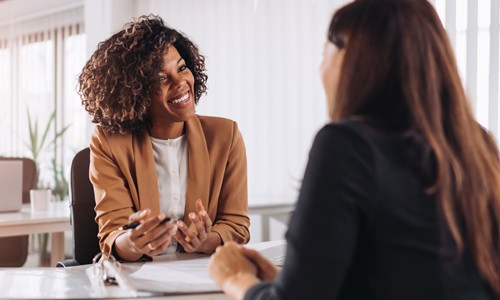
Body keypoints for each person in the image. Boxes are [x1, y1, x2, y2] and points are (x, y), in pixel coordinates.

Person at [208, 0, 500, 299]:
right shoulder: (478, 145)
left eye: (325, 54)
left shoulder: (347, 146)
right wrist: (281, 281)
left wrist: (236, 278)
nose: (321, 67)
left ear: (351, 59)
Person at [78, 15, 250, 262]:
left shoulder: (225, 136)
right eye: (161, 78)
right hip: (138, 280)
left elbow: (237, 225)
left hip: (202, 277)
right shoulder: (108, 142)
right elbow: (112, 235)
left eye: (181, 68)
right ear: (135, 91)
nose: (180, 83)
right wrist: (135, 243)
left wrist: (206, 240)